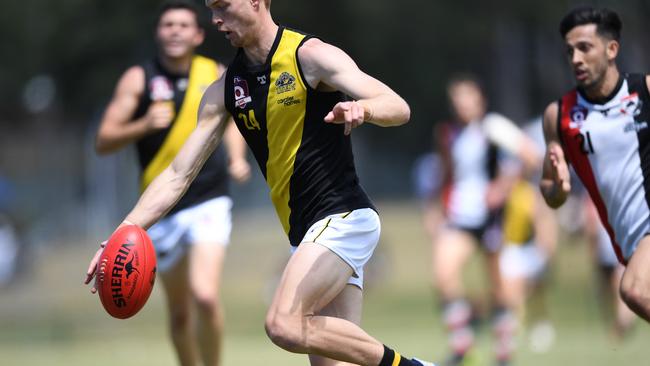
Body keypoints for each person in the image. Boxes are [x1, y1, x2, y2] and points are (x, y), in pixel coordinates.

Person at [86, 1, 434, 365]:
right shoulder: (226, 88)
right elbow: (177, 175)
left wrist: (365, 109)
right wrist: (122, 231)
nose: (217, 19)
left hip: (343, 217)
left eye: (223, 6)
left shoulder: (309, 56)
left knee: (283, 324)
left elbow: (397, 105)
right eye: (211, 9)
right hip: (305, 234)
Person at [93, 2, 250, 365]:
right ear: (158, 33)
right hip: (159, 208)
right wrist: (143, 125)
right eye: (168, 24)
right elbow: (103, 139)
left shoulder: (214, 72)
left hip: (209, 198)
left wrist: (238, 159)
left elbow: (230, 122)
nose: (175, 30)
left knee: (205, 295)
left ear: (198, 35)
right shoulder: (139, 78)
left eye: (183, 24)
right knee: (180, 313)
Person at [540, 5, 650, 322]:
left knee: (634, 291)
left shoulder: (644, 92)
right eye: (570, 51)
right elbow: (550, 192)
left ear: (612, 49)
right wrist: (558, 186)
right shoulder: (559, 116)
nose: (576, 59)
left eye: (585, 48)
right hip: (629, 242)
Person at [431, 75, 539, 366]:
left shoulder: (492, 127)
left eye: (467, 96)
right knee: (443, 274)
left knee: (498, 286)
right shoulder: (448, 133)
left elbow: (530, 156)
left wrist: (502, 187)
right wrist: (434, 209)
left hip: (489, 217)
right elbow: (445, 173)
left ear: (480, 99)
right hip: (459, 216)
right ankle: (463, 347)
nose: (461, 103)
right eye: (457, 98)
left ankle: (503, 351)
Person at [583, 196, 637, 339]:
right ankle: (620, 321)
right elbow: (591, 228)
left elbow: (591, 228)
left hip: (612, 245)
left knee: (618, 283)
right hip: (608, 246)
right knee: (609, 286)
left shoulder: (594, 196)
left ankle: (623, 322)